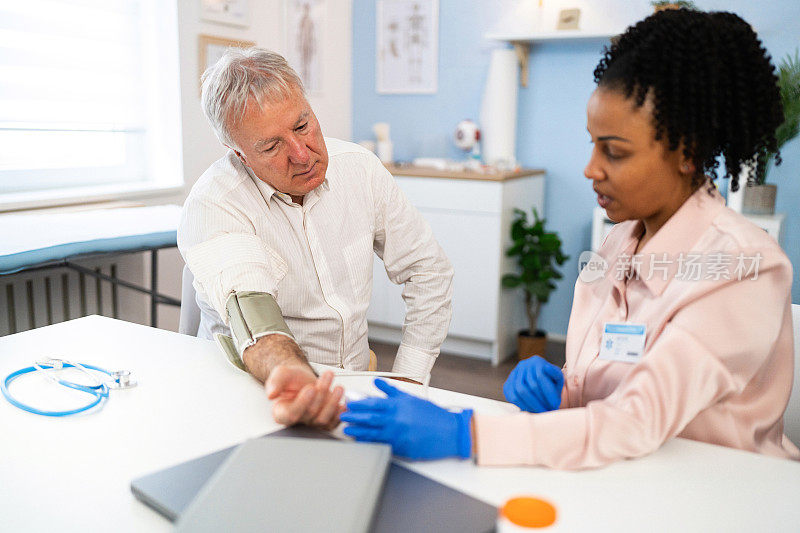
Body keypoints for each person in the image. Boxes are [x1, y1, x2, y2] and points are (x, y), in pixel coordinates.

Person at [342, 9, 800, 468]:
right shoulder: (616, 245)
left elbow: (637, 417)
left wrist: (467, 431)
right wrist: (567, 386)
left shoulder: (745, 268)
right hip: (620, 475)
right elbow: (607, 377)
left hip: (723, 494)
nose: (591, 169)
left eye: (614, 152)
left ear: (688, 153)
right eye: (593, 144)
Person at [178, 49, 453, 429]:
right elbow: (255, 315)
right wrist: (293, 376)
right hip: (252, 393)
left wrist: (409, 378)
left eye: (303, 125)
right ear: (238, 154)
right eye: (272, 146)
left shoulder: (361, 170)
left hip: (352, 387)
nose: (301, 154)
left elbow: (428, 270)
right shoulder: (215, 203)